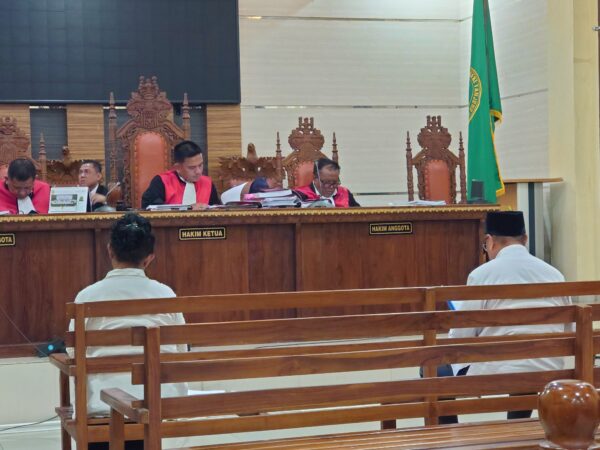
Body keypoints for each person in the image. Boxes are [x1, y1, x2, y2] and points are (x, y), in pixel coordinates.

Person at [71, 213, 188, 450]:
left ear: (110, 251)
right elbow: (180, 349)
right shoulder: (165, 294)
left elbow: (73, 352)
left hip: (103, 404)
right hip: (157, 402)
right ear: (149, 258)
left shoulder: (87, 297)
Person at [446, 210, 572, 421]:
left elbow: (461, 335)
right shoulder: (554, 274)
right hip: (547, 366)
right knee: (527, 363)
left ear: (489, 241)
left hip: (497, 370)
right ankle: (517, 423)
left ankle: (447, 432)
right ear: (525, 239)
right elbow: (568, 330)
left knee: (434, 370)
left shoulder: (482, 275)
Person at [141, 140, 220, 209]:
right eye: (192, 167)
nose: (198, 171)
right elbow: (150, 209)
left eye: (200, 165)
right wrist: (188, 208)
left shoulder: (207, 183)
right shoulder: (162, 182)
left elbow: (218, 211)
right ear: (177, 167)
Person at [293, 158, 360, 207]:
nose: (331, 187)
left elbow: (359, 215)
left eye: (335, 182)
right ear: (315, 177)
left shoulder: (344, 193)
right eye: (326, 182)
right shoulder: (299, 195)